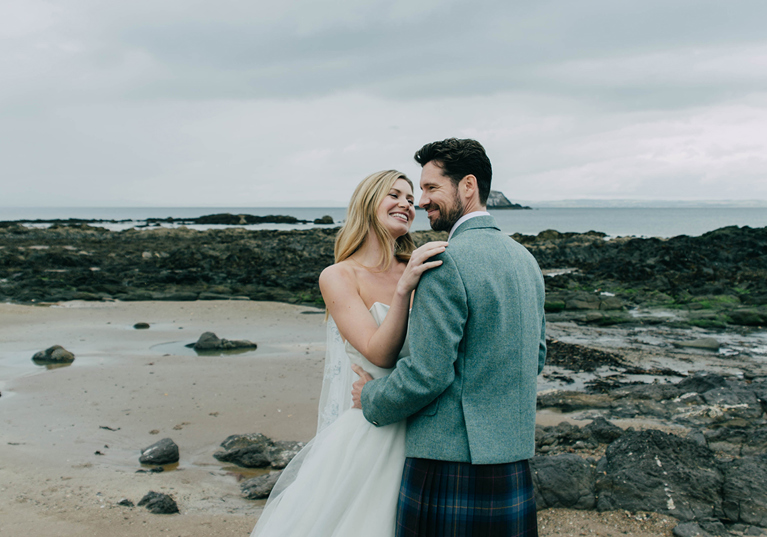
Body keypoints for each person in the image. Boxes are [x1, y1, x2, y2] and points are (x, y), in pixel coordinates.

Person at [352, 138, 547, 536]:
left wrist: (371, 397)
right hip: (511, 459)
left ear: (468, 186)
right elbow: (536, 356)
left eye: (430, 188)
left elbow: (428, 373)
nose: (421, 201)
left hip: (447, 461)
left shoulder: (445, 261)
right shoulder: (526, 261)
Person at [251, 169, 447, 537]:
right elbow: (379, 352)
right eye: (394, 195)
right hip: (373, 426)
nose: (406, 203)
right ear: (368, 202)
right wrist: (404, 290)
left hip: (425, 419)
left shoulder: (419, 266)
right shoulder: (339, 276)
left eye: (410, 198)